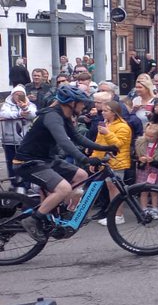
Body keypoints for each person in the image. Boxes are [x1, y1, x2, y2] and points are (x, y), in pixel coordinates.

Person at [17, 86, 120, 239]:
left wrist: (104, 147)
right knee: (63, 188)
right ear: (71, 103)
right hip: (29, 162)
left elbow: (78, 138)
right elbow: (64, 142)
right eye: (81, 103)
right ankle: (33, 219)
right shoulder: (52, 117)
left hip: (47, 160)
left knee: (81, 175)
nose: (84, 106)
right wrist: (85, 159)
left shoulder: (62, 115)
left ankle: (63, 211)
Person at [0, 86, 36, 192]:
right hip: (9, 140)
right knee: (11, 163)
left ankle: (26, 185)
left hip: (25, 140)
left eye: (21, 94)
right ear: (12, 95)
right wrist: (19, 114)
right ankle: (15, 185)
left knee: (25, 163)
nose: (18, 96)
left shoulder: (30, 105)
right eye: (16, 94)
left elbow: (33, 114)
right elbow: (3, 114)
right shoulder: (6, 105)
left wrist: (25, 108)